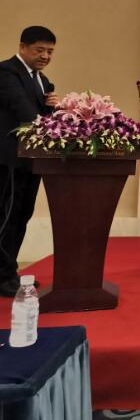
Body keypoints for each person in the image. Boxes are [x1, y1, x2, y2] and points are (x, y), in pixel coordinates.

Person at [0, 26, 58, 297]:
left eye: (50, 51)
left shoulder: (41, 79)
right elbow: (22, 110)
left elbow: (38, 114)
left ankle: (9, 271)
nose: (46, 56)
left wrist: (53, 109)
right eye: (40, 50)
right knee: (7, 217)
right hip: (9, 160)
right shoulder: (7, 72)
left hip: (31, 160)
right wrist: (48, 122)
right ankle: (2, 275)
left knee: (21, 216)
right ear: (23, 47)